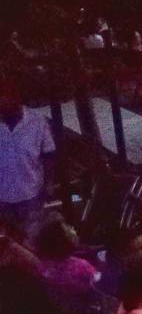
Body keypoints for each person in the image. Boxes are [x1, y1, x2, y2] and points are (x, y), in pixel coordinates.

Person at [0, 82, 55, 237]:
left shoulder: (37, 122)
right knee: (7, 242)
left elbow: (48, 152)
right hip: (2, 196)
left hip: (31, 193)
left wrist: (49, 183)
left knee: (31, 238)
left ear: (15, 100)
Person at [36, 219, 100, 294]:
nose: (72, 228)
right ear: (62, 242)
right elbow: (98, 283)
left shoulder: (42, 267)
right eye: (68, 228)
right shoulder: (82, 266)